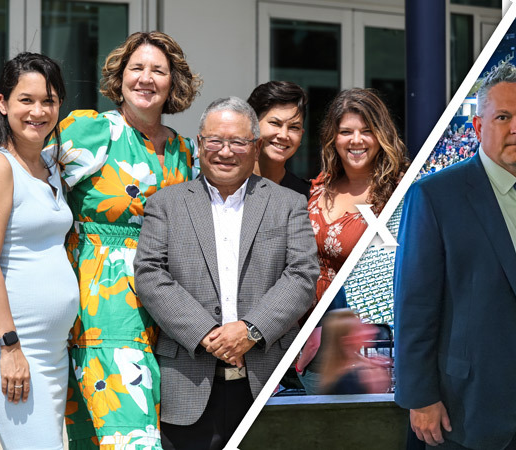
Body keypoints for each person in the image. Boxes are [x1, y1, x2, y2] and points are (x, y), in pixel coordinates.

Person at [395, 62, 516, 449]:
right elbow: (414, 305)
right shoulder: (436, 196)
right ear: (477, 127)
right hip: (462, 403)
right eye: (503, 117)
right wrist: (420, 396)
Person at [134, 97, 319, 449]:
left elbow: (302, 275)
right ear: (199, 144)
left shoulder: (288, 204)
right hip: (188, 384)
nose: (225, 151)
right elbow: (149, 274)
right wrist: (207, 334)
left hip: (265, 383)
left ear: (255, 147)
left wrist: (250, 330)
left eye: (237, 142)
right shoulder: (166, 204)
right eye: (215, 141)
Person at [55, 31, 200, 448]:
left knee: (105, 432)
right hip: (106, 299)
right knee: (131, 433)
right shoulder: (92, 131)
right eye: (137, 68)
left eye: (158, 70)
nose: (146, 78)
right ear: (119, 79)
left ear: (174, 82)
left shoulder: (183, 150)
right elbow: (28, 182)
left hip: (165, 303)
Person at [0, 52, 79, 449]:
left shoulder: (50, 167)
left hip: (50, 352)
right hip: (12, 349)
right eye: (25, 100)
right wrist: (10, 347)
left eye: (48, 100)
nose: (38, 111)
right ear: (3, 103)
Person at [296, 88, 409, 394]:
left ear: (381, 135)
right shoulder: (319, 188)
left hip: (371, 351)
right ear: (333, 137)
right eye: (346, 131)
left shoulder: (402, 192)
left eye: (367, 131)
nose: (356, 140)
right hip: (309, 350)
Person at [246, 80, 310, 197]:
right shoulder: (229, 186)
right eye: (275, 123)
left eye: (294, 127)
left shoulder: (305, 195)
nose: (283, 135)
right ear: (252, 125)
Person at [318, 309, 390, 395]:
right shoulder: (347, 380)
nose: (372, 331)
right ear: (347, 340)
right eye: (360, 329)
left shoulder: (341, 368)